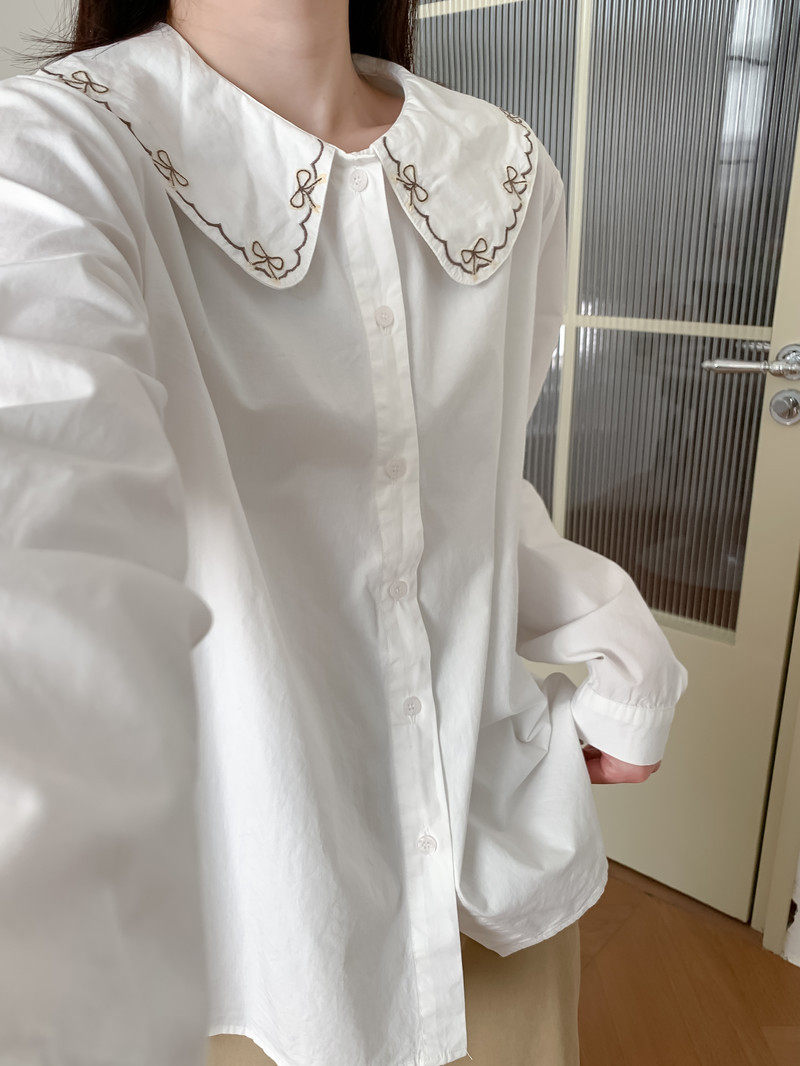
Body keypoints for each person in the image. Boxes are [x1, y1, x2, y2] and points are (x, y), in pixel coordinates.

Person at [0, 2, 689, 1064]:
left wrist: (616, 646)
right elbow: (44, 524)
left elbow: (467, 485)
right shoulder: (52, 156)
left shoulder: (502, 170)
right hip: (252, 951)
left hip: (492, 883)